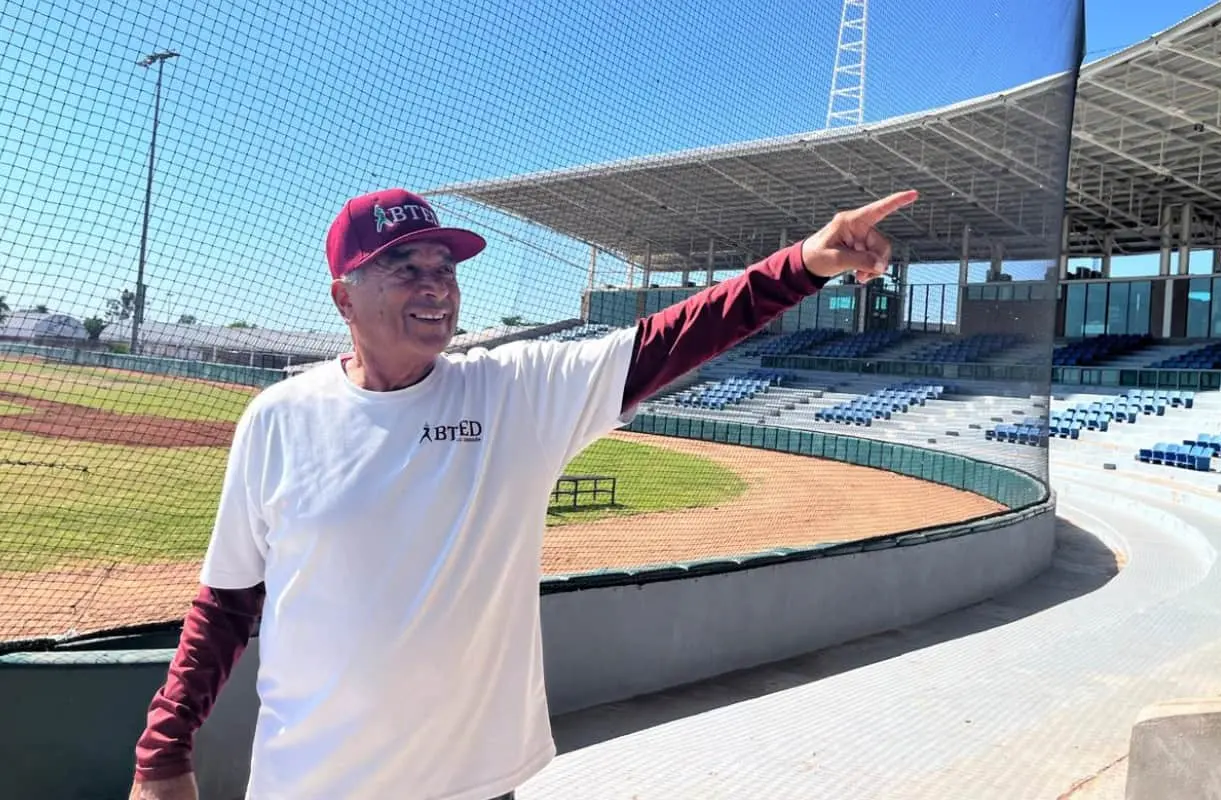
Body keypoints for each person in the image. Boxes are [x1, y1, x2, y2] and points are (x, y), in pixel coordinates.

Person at [129, 185, 918, 800]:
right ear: (345, 298)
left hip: (468, 783)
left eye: (444, 269)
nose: (435, 285)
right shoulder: (278, 418)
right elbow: (227, 601)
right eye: (406, 268)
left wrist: (807, 262)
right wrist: (164, 750)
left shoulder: (512, 394)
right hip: (308, 783)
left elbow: (673, 337)